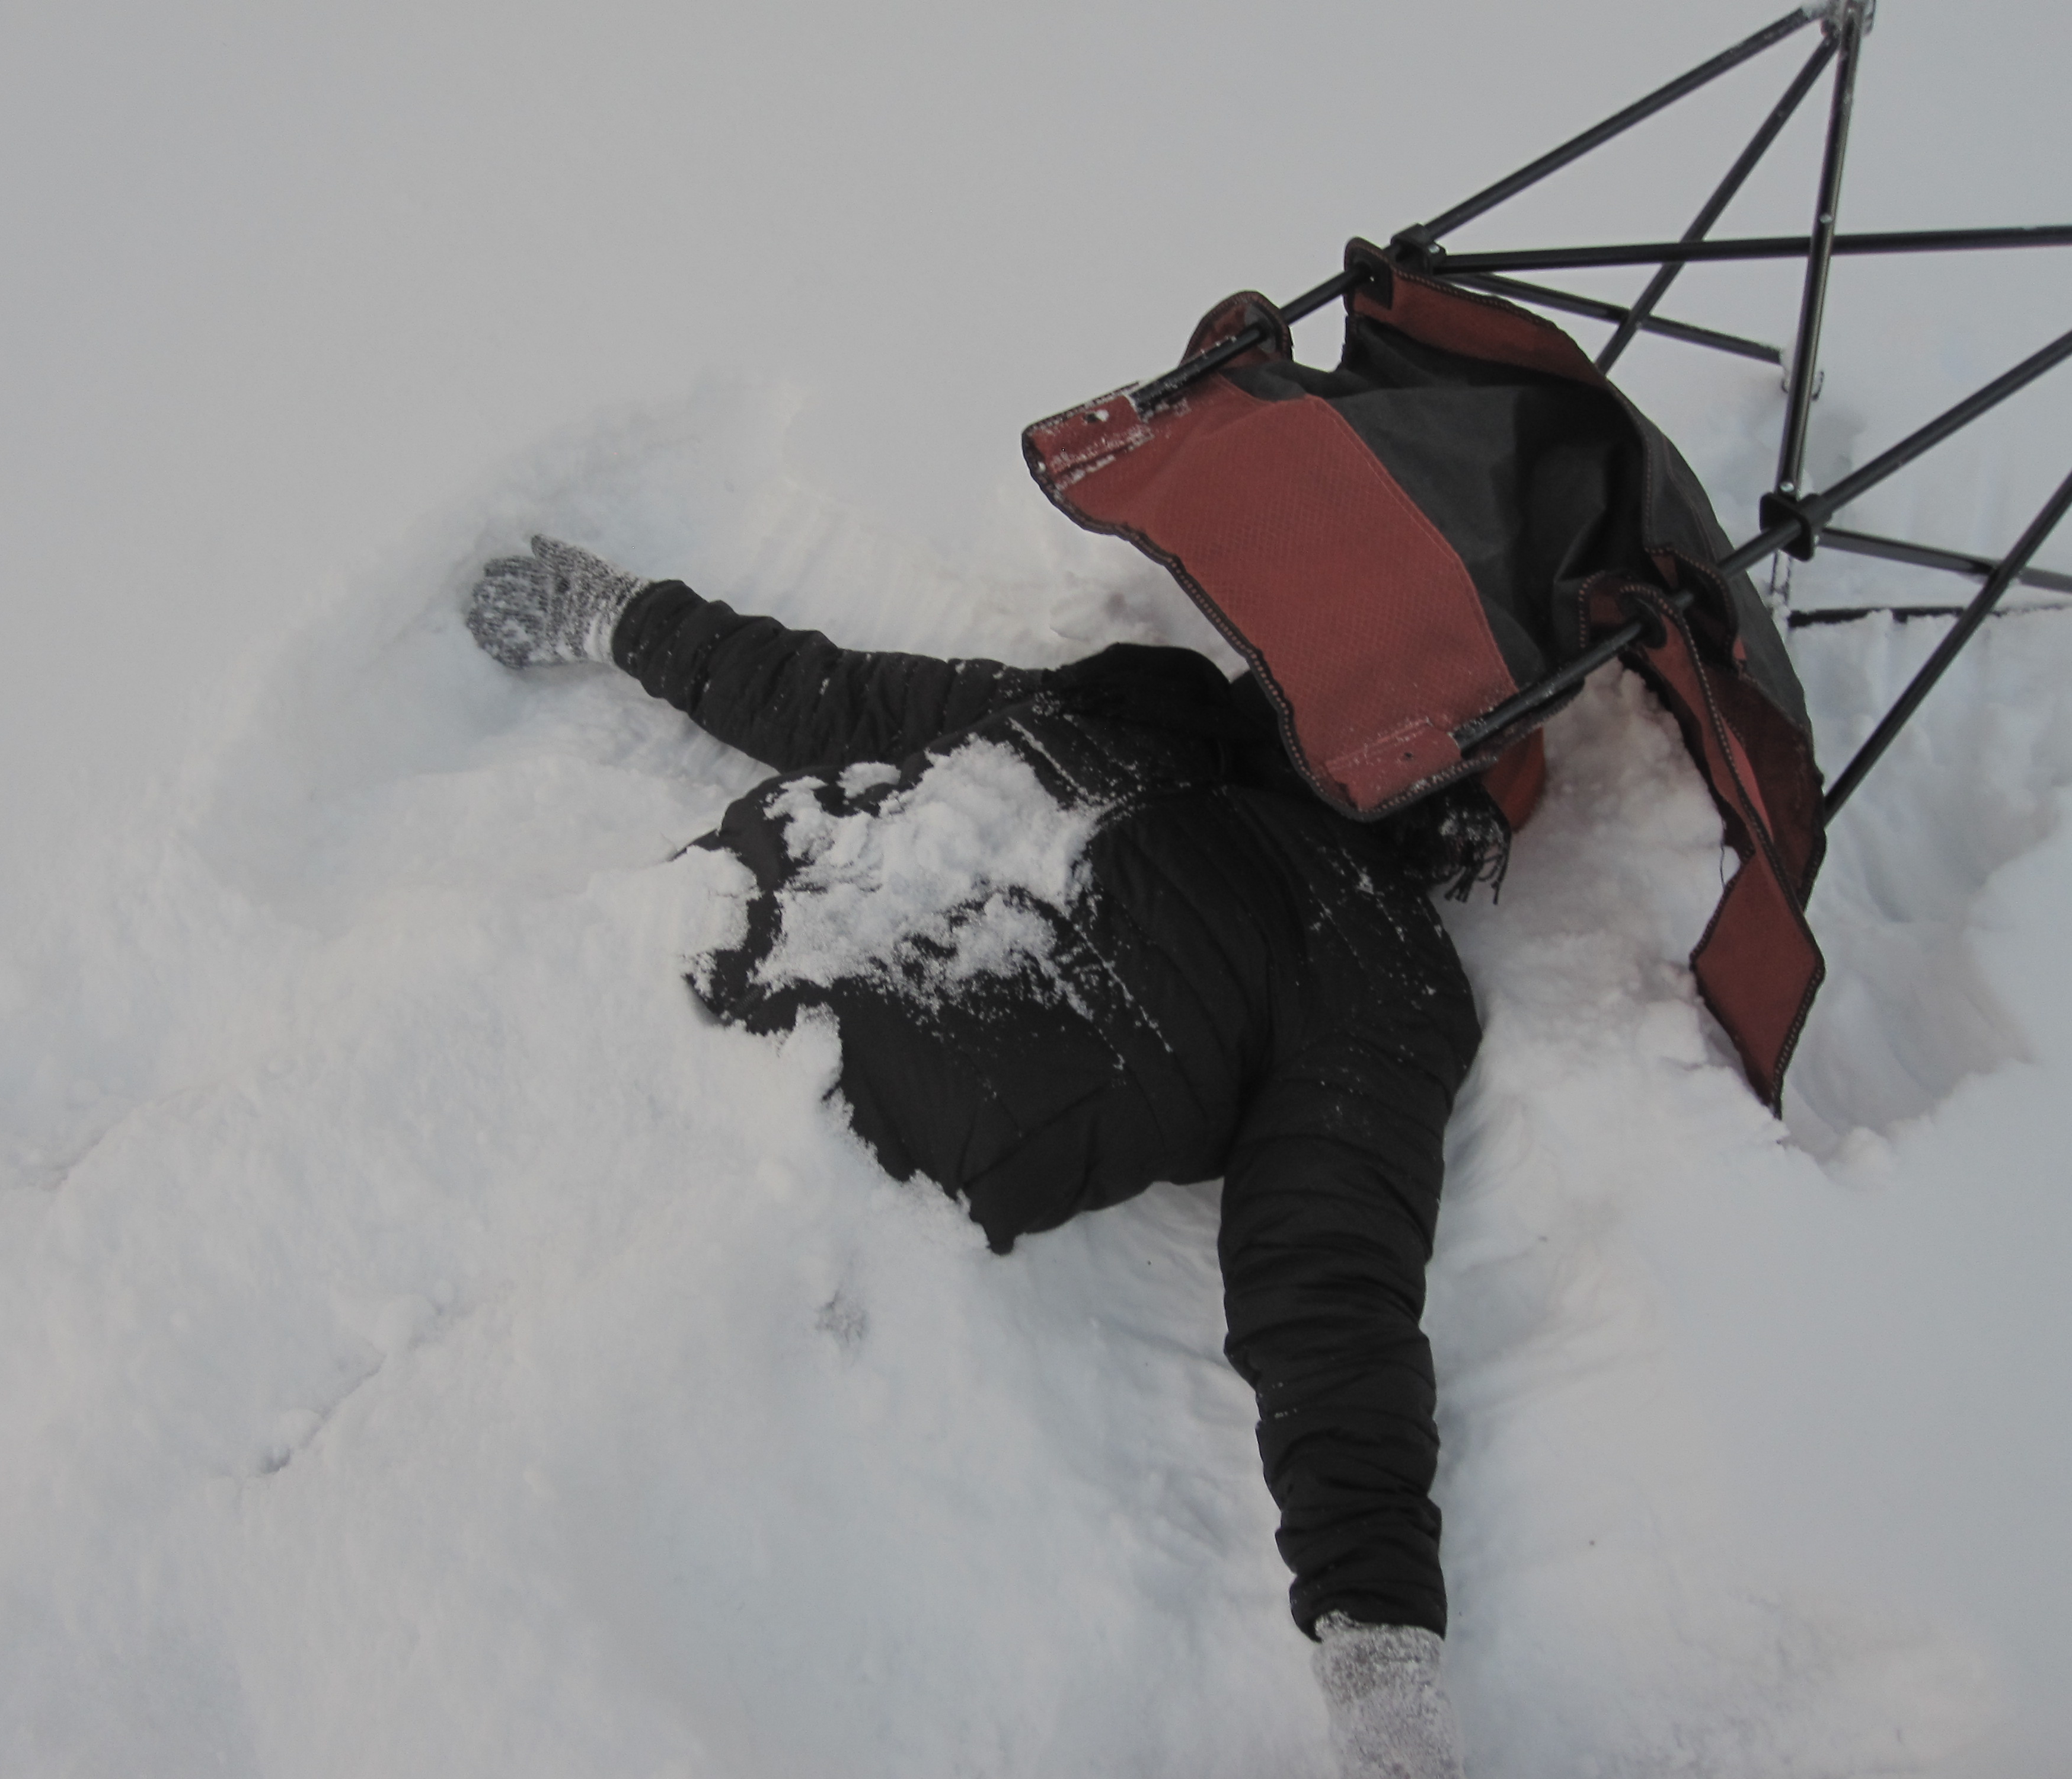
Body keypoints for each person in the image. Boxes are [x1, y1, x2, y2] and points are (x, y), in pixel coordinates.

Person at [470, 533, 1498, 1779]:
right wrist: (618, 614)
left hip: (770, 1200)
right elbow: (823, 697)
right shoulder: (1112, 703)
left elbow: (1328, 1286)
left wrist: (1379, 1649)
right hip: (603, 978)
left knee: (489, 1541)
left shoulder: (1370, 967)